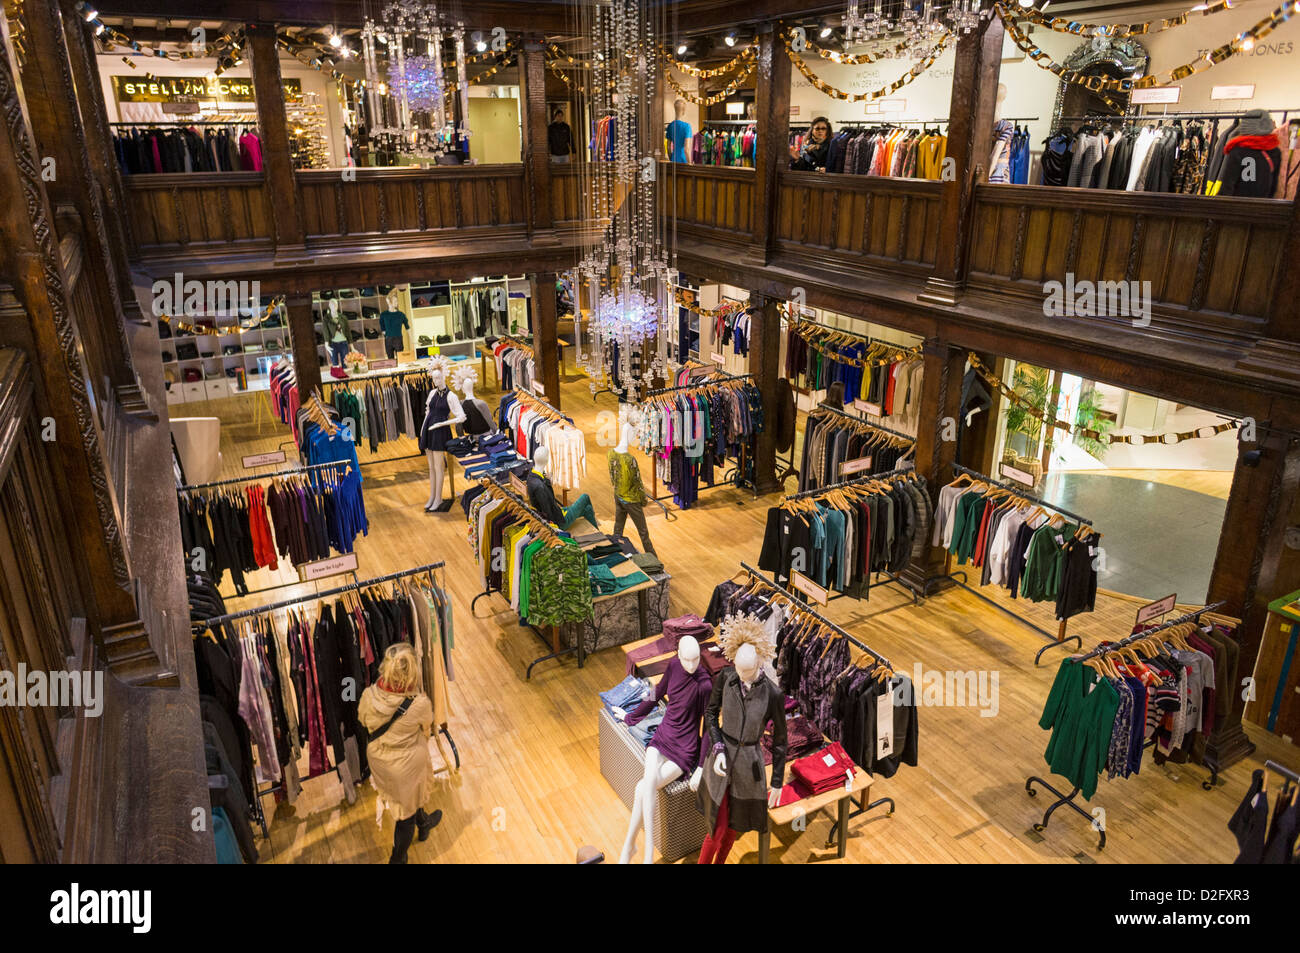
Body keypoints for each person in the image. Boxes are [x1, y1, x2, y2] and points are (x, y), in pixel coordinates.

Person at [358, 643, 443, 863]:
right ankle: (398, 858)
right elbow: (427, 724)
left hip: (379, 758)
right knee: (405, 815)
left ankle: (423, 822)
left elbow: (363, 720)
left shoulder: (369, 695)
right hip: (406, 763)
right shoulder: (419, 703)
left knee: (412, 794)